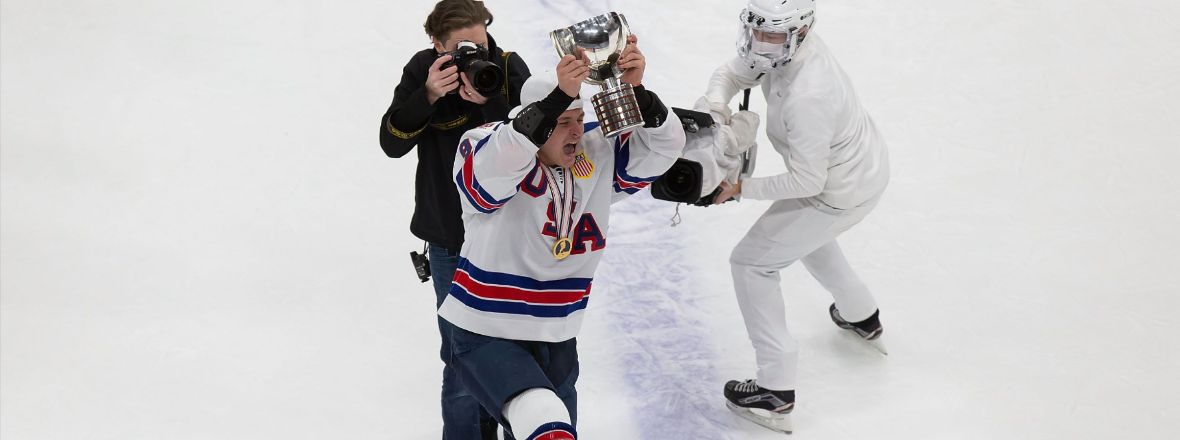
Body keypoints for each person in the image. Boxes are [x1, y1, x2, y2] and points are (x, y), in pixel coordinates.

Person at [439, 36, 685, 440]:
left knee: (554, 426)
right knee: (544, 423)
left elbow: (664, 149)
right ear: (535, 119)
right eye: (563, 120)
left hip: (558, 335)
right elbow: (492, 172)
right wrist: (554, 101)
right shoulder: (483, 143)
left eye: (578, 117)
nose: (577, 130)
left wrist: (639, 94)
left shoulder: (593, 153)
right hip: (486, 329)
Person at [705, 0, 891, 433]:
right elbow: (729, 74)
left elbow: (807, 183)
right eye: (755, 32)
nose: (758, 45)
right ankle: (862, 315)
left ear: (800, 33)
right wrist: (717, 109)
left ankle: (775, 390)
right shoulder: (782, 46)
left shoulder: (810, 94)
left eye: (770, 36)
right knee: (805, 238)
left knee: (752, 262)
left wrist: (740, 188)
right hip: (863, 171)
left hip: (835, 190)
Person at [377, 1, 529, 438]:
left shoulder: (506, 67)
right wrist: (426, 95)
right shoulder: (422, 71)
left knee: (513, 350)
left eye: (479, 43)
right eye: (461, 47)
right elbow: (391, 142)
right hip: (448, 237)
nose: (472, 55)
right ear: (436, 45)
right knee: (461, 353)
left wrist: (492, 102)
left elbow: (543, 145)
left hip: (509, 235)